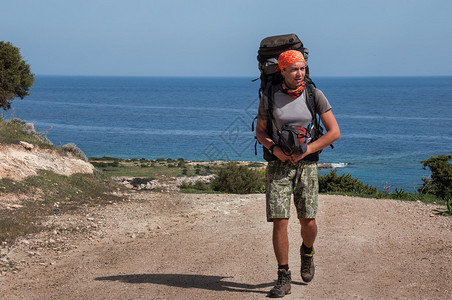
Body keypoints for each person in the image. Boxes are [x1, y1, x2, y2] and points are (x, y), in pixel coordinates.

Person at [255, 50, 340, 298]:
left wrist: (307, 151)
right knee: (280, 220)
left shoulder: (314, 94)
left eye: (302, 68)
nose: (299, 74)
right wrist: (274, 149)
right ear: (282, 71)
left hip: (307, 163)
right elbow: (261, 132)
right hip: (279, 164)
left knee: (308, 221)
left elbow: (334, 132)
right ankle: (283, 276)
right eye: (294, 69)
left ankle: (308, 251)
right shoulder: (270, 96)